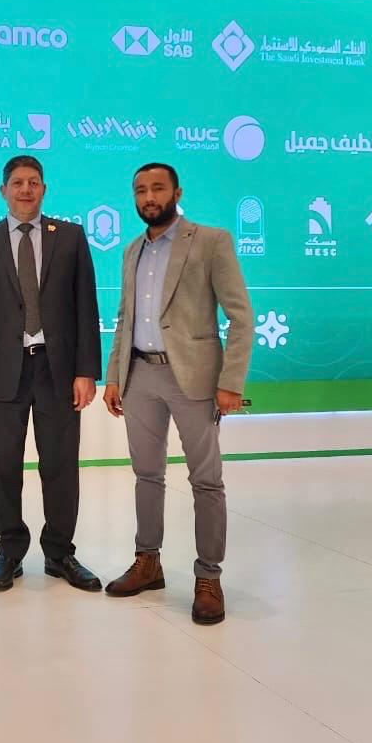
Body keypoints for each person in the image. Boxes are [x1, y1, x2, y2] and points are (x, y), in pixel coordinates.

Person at [102, 162, 253, 625]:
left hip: (194, 379)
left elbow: (241, 316)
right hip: (139, 376)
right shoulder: (132, 250)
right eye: (141, 190)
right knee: (146, 475)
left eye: (158, 188)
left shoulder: (210, 241)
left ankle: (208, 577)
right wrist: (114, 375)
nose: (149, 197)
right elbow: (125, 318)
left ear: (177, 192)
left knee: (206, 481)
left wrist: (230, 382)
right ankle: (148, 561)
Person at [0, 155, 103, 593]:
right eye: (17, 182)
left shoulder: (70, 237)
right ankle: (10, 552)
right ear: (3, 190)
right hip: (1, 373)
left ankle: (60, 553)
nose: (25, 190)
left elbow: (85, 306)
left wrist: (86, 370)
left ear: (44, 189)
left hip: (57, 371)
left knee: (60, 464)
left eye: (33, 182)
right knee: (3, 466)